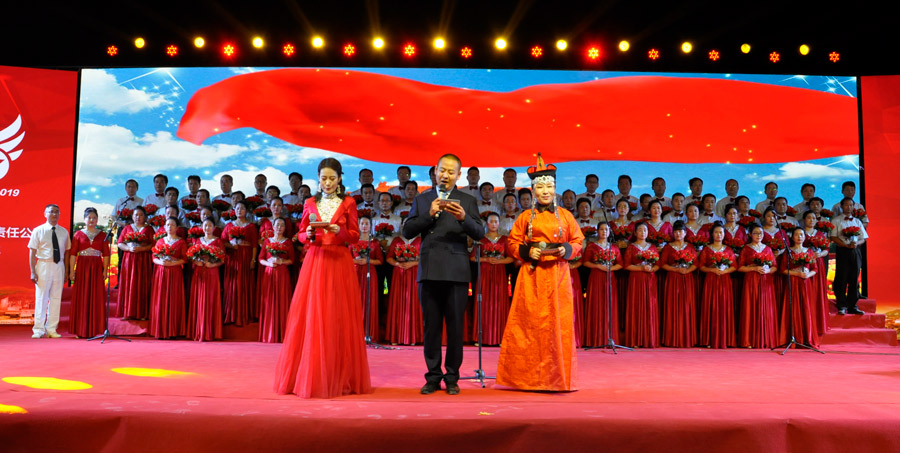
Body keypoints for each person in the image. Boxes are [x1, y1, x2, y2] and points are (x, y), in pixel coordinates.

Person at [275, 157, 372, 399]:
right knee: (311, 315)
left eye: (332, 178)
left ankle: (339, 374)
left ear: (339, 179)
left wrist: (341, 231)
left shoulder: (349, 202)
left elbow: (354, 236)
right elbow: (300, 234)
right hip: (316, 260)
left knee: (337, 315)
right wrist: (307, 233)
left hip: (339, 261)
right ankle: (309, 375)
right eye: (323, 178)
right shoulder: (310, 202)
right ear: (318, 179)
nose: (327, 183)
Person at [497, 154, 583, 391]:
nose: (546, 191)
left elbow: (578, 241)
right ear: (534, 191)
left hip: (558, 274)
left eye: (550, 187)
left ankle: (557, 378)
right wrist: (527, 251)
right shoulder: (525, 217)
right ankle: (528, 378)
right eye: (541, 187)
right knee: (529, 324)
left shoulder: (565, 216)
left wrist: (566, 249)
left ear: (555, 189)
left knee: (558, 325)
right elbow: (512, 243)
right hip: (532, 275)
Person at [403, 153, 484, 395]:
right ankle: (432, 376)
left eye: (451, 172)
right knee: (431, 327)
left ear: (458, 175)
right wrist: (428, 214)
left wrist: (463, 218)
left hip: (457, 271)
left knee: (456, 328)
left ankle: (451, 377)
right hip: (429, 270)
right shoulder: (422, 199)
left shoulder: (467, 201)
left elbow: (479, 233)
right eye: (442, 170)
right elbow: (407, 231)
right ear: (435, 171)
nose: (445, 175)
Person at [28, 204, 70, 339]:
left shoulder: (64, 232)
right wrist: (32, 271)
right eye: (51, 212)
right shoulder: (38, 230)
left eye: (57, 212)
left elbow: (67, 252)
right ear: (45, 214)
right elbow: (32, 251)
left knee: (56, 298)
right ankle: (38, 329)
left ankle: (51, 329)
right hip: (43, 265)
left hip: (59, 266)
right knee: (41, 297)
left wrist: (66, 270)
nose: (54, 214)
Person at [67, 207, 110, 339]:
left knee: (96, 297)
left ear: (97, 220)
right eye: (89, 218)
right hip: (82, 268)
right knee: (82, 297)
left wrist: (105, 270)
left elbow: (106, 254)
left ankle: (95, 329)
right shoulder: (78, 234)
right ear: (84, 219)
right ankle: (81, 329)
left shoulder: (103, 235)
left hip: (96, 268)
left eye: (94, 218)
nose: (92, 220)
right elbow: (73, 254)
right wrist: (71, 270)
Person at [471, 212, 513, 345]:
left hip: (499, 274)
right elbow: (473, 257)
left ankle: (500, 337)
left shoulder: (505, 239)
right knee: (483, 302)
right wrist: (486, 259)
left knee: (499, 303)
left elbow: (511, 258)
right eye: (491, 221)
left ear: (499, 223)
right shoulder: (481, 240)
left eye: (496, 221)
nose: (493, 224)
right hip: (484, 273)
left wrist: (499, 261)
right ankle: (481, 338)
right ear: (487, 223)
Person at [582, 221, 623, 347]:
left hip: (609, 278)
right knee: (596, 304)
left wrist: (610, 268)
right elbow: (585, 262)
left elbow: (620, 264)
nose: (604, 232)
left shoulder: (614, 247)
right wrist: (598, 266)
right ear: (597, 231)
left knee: (609, 305)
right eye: (601, 229)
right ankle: (595, 339)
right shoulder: (591, 246)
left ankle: (609, 338)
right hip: (596, 277)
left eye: (606, 229)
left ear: (609, 232)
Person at [738, 223, 779, 348]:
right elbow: (740, 267)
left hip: (765, 281)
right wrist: (754, 268)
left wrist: (768, 270)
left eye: (761, 233)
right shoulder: (746, 249)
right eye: (755, 233)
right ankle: (749, 340)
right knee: (750, 307)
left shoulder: (768, 249)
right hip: (751, 280)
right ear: (750, 234)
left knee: (765, 307)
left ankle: (765, 339)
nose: (758, 235)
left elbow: (774, 267)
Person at [697, 222, 736, 348]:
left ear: (724, 234)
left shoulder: (728, 250)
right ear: (712, 234)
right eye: (716, 232)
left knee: (724, 307)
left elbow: (734, 266)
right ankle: (709, 339)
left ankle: (725, 339)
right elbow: (701, 266)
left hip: (724, 280)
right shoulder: (706, 249)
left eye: (721, 232)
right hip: (711, 280)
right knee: (711, 306)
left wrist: (725, 271)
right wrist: (712, 270)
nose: (719, 235)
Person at [659, 221, 698, 348]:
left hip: (686, 278)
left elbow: (696, 264)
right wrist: (675, 269)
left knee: (686, 306)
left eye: (680, 231)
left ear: (685, 233)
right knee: (672, 305)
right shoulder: (668, 247)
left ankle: (687, 337)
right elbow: (662, 264)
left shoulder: (690, 247)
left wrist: (687, 270)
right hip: (673, 278)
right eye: (675, 232)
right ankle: (671, 338)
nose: (678, 234)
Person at [779, 227, 819, 347]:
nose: (799, 237)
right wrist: (796, 273)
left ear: (804, 237)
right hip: (792, 282)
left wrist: (807, 275)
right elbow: (783, 270)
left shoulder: (809, 251)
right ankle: (792, 337)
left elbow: (815, 269)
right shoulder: (788, 252)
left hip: (805, 283)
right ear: (792, 237)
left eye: (801, 234)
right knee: (793, 308)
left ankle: (807, 338)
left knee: (806, 308)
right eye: (796, 234)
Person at [149, 217, 187, 339]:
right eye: (168, 225)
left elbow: (185, 259)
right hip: (161, 273)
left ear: (177, 227)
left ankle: (173, 330)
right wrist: (161, 263)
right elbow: (154, 258)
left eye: (172, 225)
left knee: (174, 299)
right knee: (161, 298)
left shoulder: (181, 242)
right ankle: (160, 329)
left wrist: (172, 263)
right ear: (165, 227)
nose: (170, 227)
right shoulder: (160, 241)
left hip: (175, 273)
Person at [221, 200, 258, 326]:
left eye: (242, 208)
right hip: (233, 258)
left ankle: (244, 315)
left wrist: (253, 260)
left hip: (246, 257)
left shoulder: (251, 226)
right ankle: (231, 315)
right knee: (232, 284)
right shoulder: (229, 226)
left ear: (246, 211)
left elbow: (254, 245)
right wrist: (231, 246)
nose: (239, 210)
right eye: (237, 208)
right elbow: (222, 241)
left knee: (244, 284)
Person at [623, 221, 660, 348]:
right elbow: (626, 265)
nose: (642, 232)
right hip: (636, 279)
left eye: (645, 230)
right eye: (640, 230)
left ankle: (649, 339)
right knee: (636, 306)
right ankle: (635, 339)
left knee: (650, 306)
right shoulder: (631, 247)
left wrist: (652, 268)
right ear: (635, 232)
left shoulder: (652, 247)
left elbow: (658, 264)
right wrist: (640, 268)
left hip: (649, 279)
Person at [386, 221, 423, 345]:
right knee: (398, 301)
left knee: (414, 301)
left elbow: (426, 258)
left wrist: (413, 263)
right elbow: (389, 257)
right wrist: (397, 263)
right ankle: (396, 336)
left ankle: (413, 337)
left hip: (414, 273)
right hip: (399, 274)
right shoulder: (397, 240)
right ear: (401, 226)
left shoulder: (420, 240)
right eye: (404, 224)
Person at [258, 217, 295, 343]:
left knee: (282, 300)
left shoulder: (288, 242)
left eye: (282, 225)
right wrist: (268, 264)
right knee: (269, 301)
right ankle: (268, 333)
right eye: (277, 225)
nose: (279, 227)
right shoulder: (267, 241)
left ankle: (282, 333)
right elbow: (261, 258)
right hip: (269, 273)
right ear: (273, 227)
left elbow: (292, 260)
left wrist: (281, 261)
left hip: (282, 273)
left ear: (285, 228)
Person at [188, 218, 225, 342]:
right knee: (198, 298)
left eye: (210, 226)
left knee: (211, 298)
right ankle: (198, 330)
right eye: (205, 226)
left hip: (212, 272)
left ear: (214, 228)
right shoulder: (198, 240)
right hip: (199, 272)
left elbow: (222, 259)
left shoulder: (218, 241)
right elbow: (191, 256)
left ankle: (210, 331)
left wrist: (212, 264)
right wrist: (196, 262)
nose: (207, 228)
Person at [831, 197, 868, 315]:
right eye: (846, 205)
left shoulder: (857, 221)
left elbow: (863, 238)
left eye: (851, 205)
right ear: (841, 206)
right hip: (843, 250)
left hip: (855, 250)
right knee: (842, 277)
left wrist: (857, 243)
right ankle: (841, 305)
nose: (849, 207)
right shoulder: (836, 220)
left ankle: (853, 305)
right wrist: (845, 245)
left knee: (854, 277)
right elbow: (833, 237)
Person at [116, 206, 154, 320]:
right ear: (132, 216)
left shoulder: (149, 229)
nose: (138, 217)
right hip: (129, 259)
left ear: (145, 217)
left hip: (143, 260)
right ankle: (127, 312)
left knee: (142, 284)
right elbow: (120, 243)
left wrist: (142, 249)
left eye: (141, 215)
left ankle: (142, 313)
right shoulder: (127, 228)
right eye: (136, 215)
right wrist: (128, 248)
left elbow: (154, 244)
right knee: (128, 283)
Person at [352, 215, 383, 341]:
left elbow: (380, 261)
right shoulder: (353, 241)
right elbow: (346, 258)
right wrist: (355, 260)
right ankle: (354, 334)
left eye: (366, 224)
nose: (364, 226)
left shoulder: (374, 243)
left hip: (370, 273)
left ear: (371, 226)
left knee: (369, 301)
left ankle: (369, 333)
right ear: (358, 226)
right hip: (356, 273)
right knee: (355, 301)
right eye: (362, 224)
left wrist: (367, 261)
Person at [801, 210, 829, 336]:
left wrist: (820, 254)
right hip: (805, 264)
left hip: (818, 263)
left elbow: (826, 249)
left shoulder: (820, 234)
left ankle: (818, 323)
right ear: (804, 219)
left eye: (813, 218)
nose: (811, 220)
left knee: (818, 290)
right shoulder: (800, 233)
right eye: (808, 217)